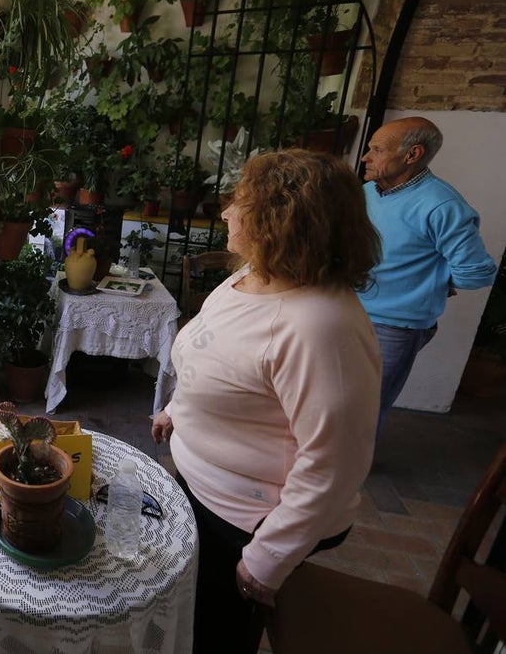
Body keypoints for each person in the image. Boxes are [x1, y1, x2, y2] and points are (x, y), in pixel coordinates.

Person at [151, 150, 382, 653]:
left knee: (214, 631)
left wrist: (267, 559)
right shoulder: (254, 274)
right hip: (204, 489)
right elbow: (216, 353)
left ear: (282, 221)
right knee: (185, 609)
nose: (227, 212)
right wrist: (178, 410)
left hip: (247, 517)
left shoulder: (321, 327)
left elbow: (334, 466)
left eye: (241, 203)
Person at [357, 116, 498, 431]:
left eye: (377, 150)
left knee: (364, 408)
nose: (366, 157)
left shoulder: (443, 205)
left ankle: (349, 475)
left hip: (394, 327)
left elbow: (476, 272)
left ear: (412, 155)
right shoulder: (368, 192)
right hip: (349, 311)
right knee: (335, 399)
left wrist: (440, 280)